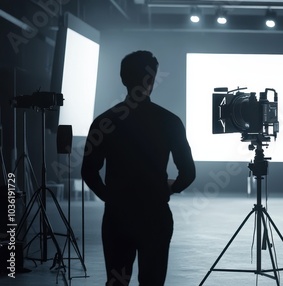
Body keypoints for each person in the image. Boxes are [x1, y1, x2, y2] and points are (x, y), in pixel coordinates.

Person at [81, 50, 196, 286]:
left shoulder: (105, 122)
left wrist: (110, 197)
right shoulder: (169, 121)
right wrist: (167, 189)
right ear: (152, 79)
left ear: (123, 78)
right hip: (155, 214)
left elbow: (89, 171)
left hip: (118, 216)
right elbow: (188, 173)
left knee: (116, 282)